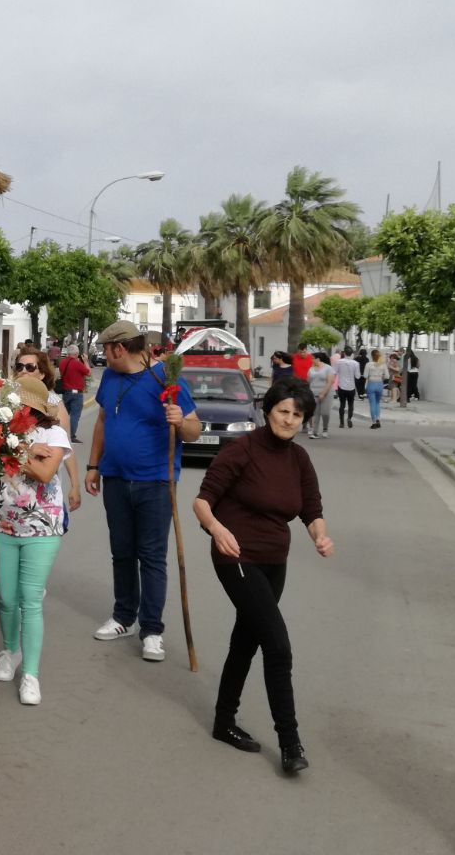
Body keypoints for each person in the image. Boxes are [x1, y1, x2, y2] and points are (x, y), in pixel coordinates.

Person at [193, 378, 333, 776]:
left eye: (297, 414)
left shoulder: (299, 459)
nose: (289, 419)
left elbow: (311, 509)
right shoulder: (242, 450)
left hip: (275, 560)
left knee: (247, 639)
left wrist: (320, 536)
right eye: (283, 410)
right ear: (267, 410)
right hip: (237, 556)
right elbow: (202, 502)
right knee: (278, 645)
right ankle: (290, 743)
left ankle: (224, 721)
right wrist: (218, 531)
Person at [85, 319, 202, 663]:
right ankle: (124, 617)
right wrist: (93, 466)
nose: (103, 358)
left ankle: (152, 629)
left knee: (151, 556)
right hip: (116, 479)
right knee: (122, 551)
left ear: (119, 349)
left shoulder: (165, 379)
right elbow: (104, 420)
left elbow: (194, 430)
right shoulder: (109, 378)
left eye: (105, 351)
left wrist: (181, 420)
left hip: (155, 481)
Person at [0, 376, 76, 706]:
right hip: (1, 524)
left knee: (30, 599)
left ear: (35, 408)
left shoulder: (53, 434)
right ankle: (10, 652)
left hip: (42, 528)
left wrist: (5, 448)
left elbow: (43, 473)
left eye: (21, 403)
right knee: (7, 598)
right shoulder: (0, 431)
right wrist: (21, 448)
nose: (16, 408)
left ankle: (31, 674)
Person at [14, 349, 82, 520]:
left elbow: (66, 444)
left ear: (42, 374)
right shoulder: (7, 397)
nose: (23, 371)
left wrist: (75, 484)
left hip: (40, 486)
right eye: (19, 366)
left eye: (30, 367)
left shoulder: (52, 403)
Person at [57, 344, 89, 443]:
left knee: (64, 414)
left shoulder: (62, 363)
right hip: (76, 393)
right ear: (76, 353)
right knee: (75, 415)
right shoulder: (77, 363)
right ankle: (71, 436)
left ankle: (60, 433)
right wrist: (86, 361)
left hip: (66, 392)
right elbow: (88, 372)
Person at [306, 353, 335, 441]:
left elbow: (330, 382)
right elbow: (308, 381)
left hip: (327, 393)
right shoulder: (311, 369)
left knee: (325, 413)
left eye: (313, 358)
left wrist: (323, 393)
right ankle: (315, 432)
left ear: (318, 359)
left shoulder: (328, 368)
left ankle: (325, 428)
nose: (311, 360)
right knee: (315, 413)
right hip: (313, 393)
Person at [363, 349, 390, 429]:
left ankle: (374, 422)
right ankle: (378, 418)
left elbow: (365, 376)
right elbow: (387, 376)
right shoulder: (383, 364)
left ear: (371, 356)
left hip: (371, 384)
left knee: (372, 403)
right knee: (378, 403)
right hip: (379, 384)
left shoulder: (368, 364)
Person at [332, 349, 359, 428]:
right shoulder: (355, 363)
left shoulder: (339, 362)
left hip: (341, 386)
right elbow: (357, 376)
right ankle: (349, 418)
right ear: (351, 354)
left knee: (342, 404)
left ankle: (341, 422)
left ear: (344, 353)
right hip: (351, 386)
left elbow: (334, 372)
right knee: (351, 404)